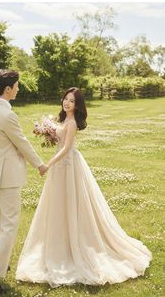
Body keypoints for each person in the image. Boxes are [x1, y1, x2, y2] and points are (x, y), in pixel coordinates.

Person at [16, 87, 152, 287]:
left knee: (73, 202)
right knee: (58, 205)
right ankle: (59, 241)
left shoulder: (72, 124)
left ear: (77, 105)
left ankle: (77, 242)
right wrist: (48, 132)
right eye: (66, 99)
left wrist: (48, 164)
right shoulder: (62, 120)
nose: (67, 103)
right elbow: (58, 139)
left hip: (68, 166)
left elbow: (67, 149)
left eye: (72, 101)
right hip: (60, 168)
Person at [0, 69, 47, 295]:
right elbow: (22, 143)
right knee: (9, 224)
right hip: (7, 177)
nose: (18, 88)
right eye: (16, 85)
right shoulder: (7, 115)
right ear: (7, 89)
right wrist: (39, 164)